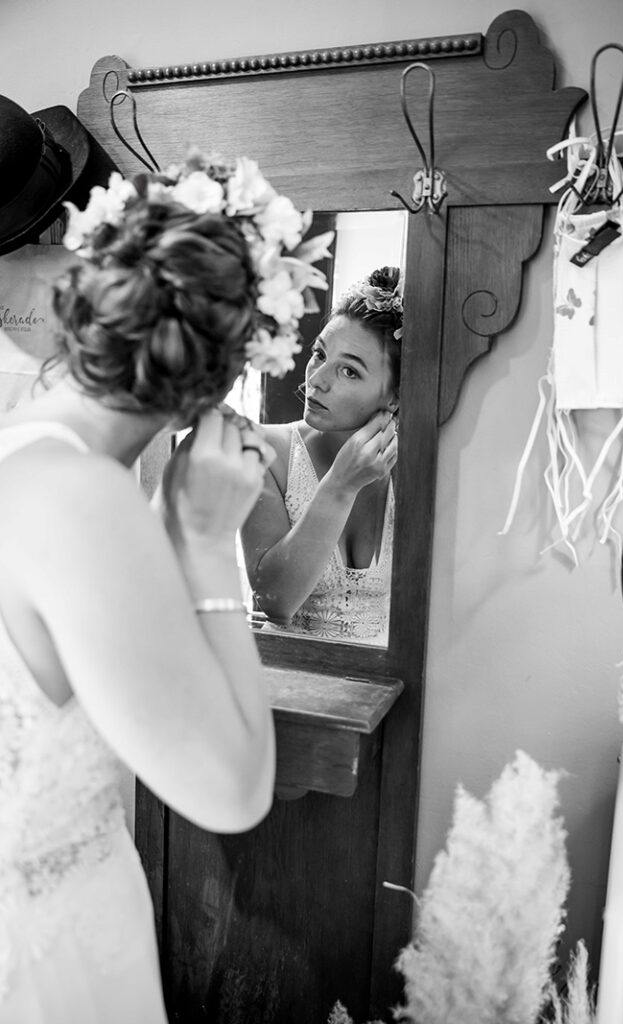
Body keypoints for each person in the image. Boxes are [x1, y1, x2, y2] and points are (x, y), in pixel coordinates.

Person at [0, 129, 331, 1023]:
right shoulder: (81, 498)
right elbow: (232, 790)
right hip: (49, 958)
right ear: (213, 388)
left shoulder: (24, 454)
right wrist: (206, 537)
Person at [240, 267, 401, 645]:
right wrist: (339, 487)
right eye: (319, 354)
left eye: (349, 371)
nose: (316, 380)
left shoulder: (417, 467)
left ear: (394, 396)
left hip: (383, 677)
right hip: (287, 673)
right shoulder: (263, 450)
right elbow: (276, 602)